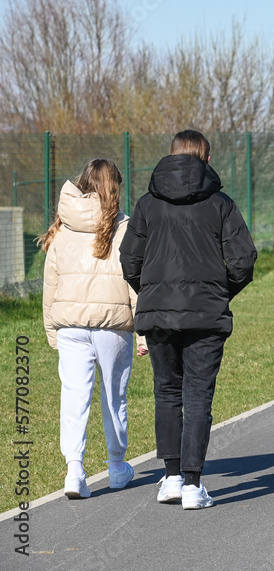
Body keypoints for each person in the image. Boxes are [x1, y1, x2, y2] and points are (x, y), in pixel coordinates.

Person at [120, 130, 257, 510]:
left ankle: (171, 478)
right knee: (197, 395)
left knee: (167, 392)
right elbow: (243, 262)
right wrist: (217, 293)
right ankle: (194, 486)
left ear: (172, 156)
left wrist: (152, 293)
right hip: (205, 315)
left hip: (159, 313)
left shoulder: (148, 204)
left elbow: (129, 259)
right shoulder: (221, 204)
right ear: (206, 159)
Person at [40, 159, 145, 499]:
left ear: (82, 182)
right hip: (113, 326)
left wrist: (51, 330)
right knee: (114, 397)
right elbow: (135, 283)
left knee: (73, 397)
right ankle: (116, 467)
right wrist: (143, 332)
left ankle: (74, 471)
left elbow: (50, 283)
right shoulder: (124, 226)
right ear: (115, 186)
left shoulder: (62, 226)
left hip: (69, 324)